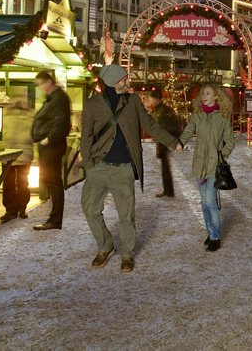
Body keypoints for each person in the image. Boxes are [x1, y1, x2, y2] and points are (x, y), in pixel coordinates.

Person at [80, 65, 182, 272]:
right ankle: (105, 246)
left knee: (127, 216)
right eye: (125, 79)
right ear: (115, 81)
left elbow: (151, 126)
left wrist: (173, 142)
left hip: (124, 168)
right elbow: (86, 137)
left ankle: (127, 253)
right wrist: (89, 166)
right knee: (90, 209)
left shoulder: (133, 101)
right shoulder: (92, 105)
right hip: (98, 167)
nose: (129, 82)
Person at [178, 85, 235, 252]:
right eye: (203, 93)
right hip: (199, 165)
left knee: (210, 202)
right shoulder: (198, 115)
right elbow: (188, 131)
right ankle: (211, 233)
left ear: (216, 97)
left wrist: (221, 156)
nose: (204, 95)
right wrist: (181, 142)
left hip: (214, 166)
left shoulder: (223, 117)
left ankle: (215, 237)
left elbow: (230, 141)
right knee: (203, 203)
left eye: (208, 93)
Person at [31, 70, 71, 231]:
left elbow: (60, 122)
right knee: (50, 179)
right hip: (48, 145)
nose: (39, 88)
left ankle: (55, 219)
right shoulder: (53, 98)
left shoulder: (58, 98)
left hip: (52, 146)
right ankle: (54, 219)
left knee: (53, 180)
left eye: (40, 84)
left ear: (48, 82)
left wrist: (48, 139)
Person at [0, 89, 35, 223]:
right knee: (12, 183)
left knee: (21, 183)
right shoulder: (7, 112)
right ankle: (13, 209)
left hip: (20, 152)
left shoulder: (9, 113)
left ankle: (18, 208)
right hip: (10, 152)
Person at [148, 89, 180, 198]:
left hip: (164, 142)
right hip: (163, 142)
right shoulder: (159, 109)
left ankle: (169, 191)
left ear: (156, 99)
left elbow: (161, 127)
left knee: (165, 167)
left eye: (151, 98)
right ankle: (167, 190)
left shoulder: (162, 110)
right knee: (164, 167)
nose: (150, 100)